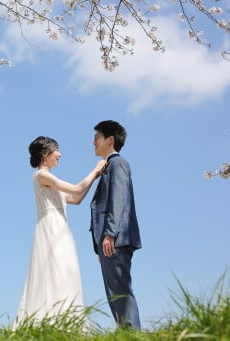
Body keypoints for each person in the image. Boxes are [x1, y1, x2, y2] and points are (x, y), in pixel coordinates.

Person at [13, 136, 106, 330]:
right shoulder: (42, 176)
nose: (59, 154)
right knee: (53, 272)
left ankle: (64, 322)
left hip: (61, 228)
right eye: (56, 150)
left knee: (64, 272)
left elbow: (77, 197)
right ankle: (50, 322)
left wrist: (94, 177)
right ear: (44, 154)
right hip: (51, 229)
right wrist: (95, 170)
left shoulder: (51, 181)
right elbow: (76, 188)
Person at [90, 120, 142, 329]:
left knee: (120, 292)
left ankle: (132, 334)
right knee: (115, 294)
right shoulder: (109, 166)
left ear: (109, 140)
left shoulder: (118, 163)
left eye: (96, 138)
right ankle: (126, 333)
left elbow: (118, 199)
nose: (93, 143)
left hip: (116, 239)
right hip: (110, 241)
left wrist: (110, 235)